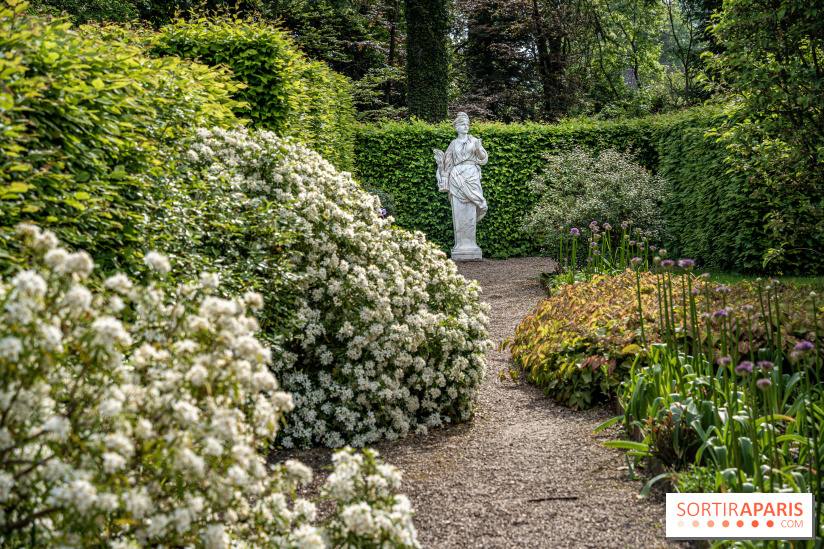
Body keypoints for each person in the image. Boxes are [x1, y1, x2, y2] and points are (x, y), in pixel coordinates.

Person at [434, 112, 488, 258]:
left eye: (467, 124)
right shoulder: (453, 143)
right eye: (463, 124)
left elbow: (483, 158)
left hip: (472, 175)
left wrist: (477, 148)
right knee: (458, 210)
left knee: (472, 207)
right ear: (457, 127)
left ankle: (471, 245)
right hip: (457, 177)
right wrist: (441, 167)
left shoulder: (474, 140)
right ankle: (460, 245)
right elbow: (447, 164)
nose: (466, 127)